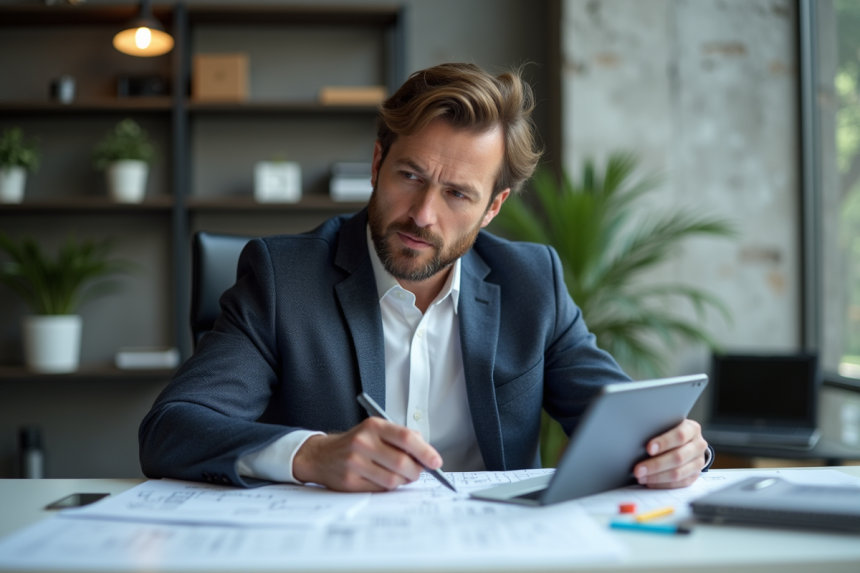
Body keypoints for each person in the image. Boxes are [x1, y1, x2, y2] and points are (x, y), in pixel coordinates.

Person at [139, 63, 712, 492]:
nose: (423, 215)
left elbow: (623, 420)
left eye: (459, 193)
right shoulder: (282, 277)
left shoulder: (533, 283)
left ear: (493, 208)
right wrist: (311, 455)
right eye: (410, 176)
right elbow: (172, 428)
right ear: (376, 164)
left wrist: (679, 447)